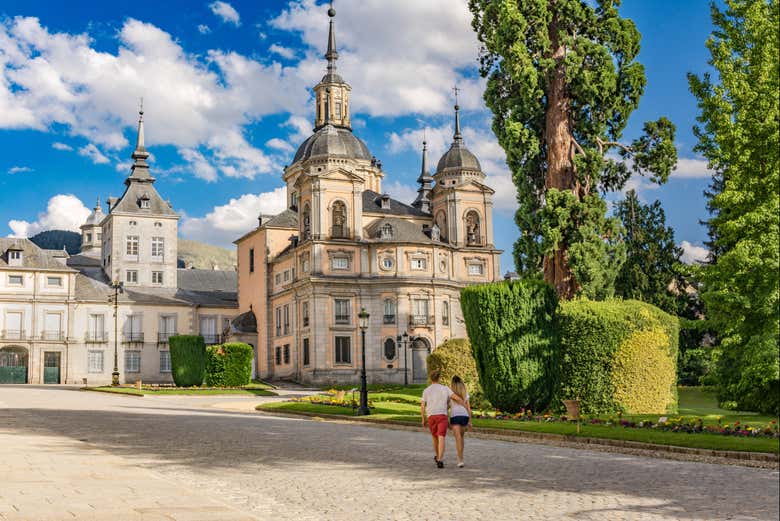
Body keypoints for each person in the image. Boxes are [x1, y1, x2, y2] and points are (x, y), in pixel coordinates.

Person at [421, 370, 465, 468]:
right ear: (439, 378)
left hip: (431, 416)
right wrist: (463, 404)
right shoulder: (445, 389)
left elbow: (423, 406)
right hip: (442, 415)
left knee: (434, 437)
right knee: (441, 437)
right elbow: (456, 398)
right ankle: (440, 459)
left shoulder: (426, 390)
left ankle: (438, 457)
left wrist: (423, 418)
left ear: (430, 379)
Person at [448, 375, 472, 468]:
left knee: (458, 439)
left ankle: (460, 460)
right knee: (461, 438)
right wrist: (470, 421)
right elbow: (468, 408)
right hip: (464, 416)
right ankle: (461, 459)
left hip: (455, 416)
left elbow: (448, 406)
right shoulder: (465, 393)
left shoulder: (450, 394)